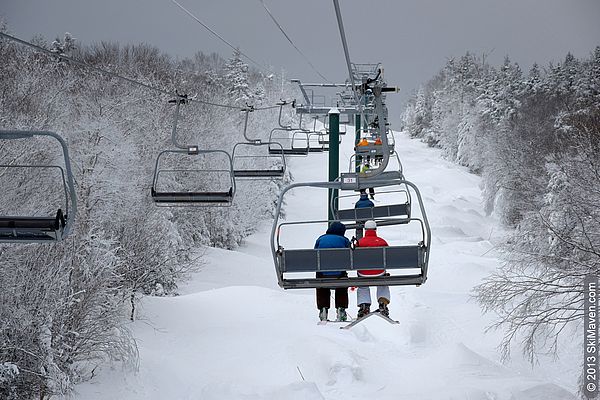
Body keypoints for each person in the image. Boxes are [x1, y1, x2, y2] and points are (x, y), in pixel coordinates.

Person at [314, 221, 351, 322]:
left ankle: (323, 309)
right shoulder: (344, 240)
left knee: (321, 283)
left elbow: (314, 255)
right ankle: (341, 309)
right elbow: (350, 256)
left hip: (322, 274)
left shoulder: (320, 239)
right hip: (339, 274)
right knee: (342, 282)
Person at [356, 220, 391, 318]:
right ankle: (383, 304)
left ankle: (364, 306)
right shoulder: (382, 241)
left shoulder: (359, 242)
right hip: (379, 272)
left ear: (365, 229)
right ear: (375, 229)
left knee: (363, 285)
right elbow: (389, 257)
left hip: (363, 273)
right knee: (383, 283)